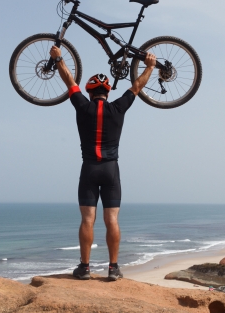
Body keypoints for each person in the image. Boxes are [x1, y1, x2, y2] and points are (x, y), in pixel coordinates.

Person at [49, 45, 157, 281]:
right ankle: (113, 268)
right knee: (112, 220)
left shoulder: (82, 105)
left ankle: (85, 268)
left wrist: (58, 59)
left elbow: (69, 79)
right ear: (107, 93)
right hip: (111, 171)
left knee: (88, 219)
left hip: (89, 169)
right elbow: (137, 86)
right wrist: (150, 66)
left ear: (89, 92)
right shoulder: (118, 107)